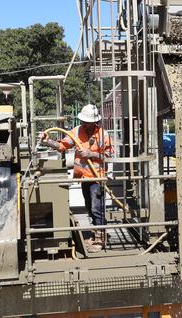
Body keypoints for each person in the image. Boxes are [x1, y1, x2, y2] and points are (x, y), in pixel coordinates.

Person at [38, 104, 114, 252]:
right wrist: (47, 141)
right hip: (84, 177)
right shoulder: (76, 132)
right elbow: (62, 146)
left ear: (95, 122)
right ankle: (96, 234)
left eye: (87, 122)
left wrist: (91, 154)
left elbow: (110, 156)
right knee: (89, 207)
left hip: (97, 177)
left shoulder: (103, 135)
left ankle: (100, 239)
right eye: (83, 121)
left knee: (96, 208)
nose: (84, 124)